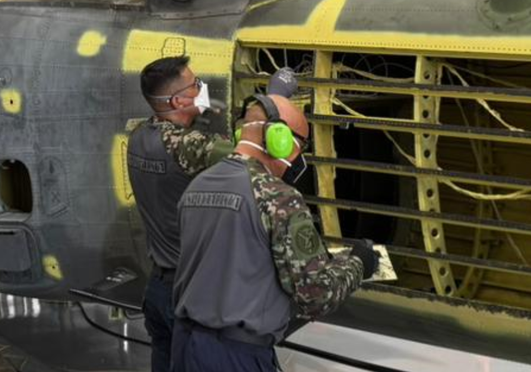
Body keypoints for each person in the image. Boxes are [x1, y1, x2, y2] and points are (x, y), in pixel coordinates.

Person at [171, 94, 379, 371]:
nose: (297, 158)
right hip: (237, 355)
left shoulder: (198, 185)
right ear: (279, 139)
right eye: (299, 147)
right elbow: (316, 295)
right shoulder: (278, 197)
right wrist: (358, 263)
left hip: (184, 345)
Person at [127, 56, 233, 372]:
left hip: (159, 288)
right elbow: (252, 155)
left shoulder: (138, 136)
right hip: (190, 293)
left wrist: (198, 119)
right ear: (178, 100)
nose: (202, 88)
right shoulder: (189, 146)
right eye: (195, 85)